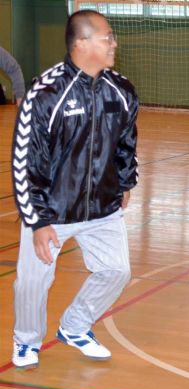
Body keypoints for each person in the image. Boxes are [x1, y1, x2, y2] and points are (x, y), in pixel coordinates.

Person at [10, 10, 138, 369]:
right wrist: (37, 222)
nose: (114, 43)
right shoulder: (45, 93)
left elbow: (127, 144)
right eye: (107, 37)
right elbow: (26, 162)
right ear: (81, 43)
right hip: (53, 209)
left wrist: (124, 182)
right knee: (33, 283)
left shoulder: (122, 90)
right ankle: (27, 341)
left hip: (103, 209)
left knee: (117, 271)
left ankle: (76, 325)